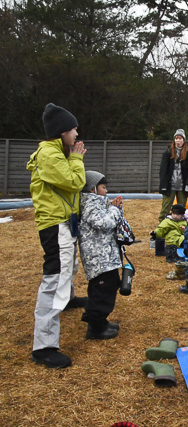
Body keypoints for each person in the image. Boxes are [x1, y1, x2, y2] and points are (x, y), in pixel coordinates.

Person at [27, 103, 86, 368]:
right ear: (62, 131)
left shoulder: (58, 153)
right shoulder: (50, 155)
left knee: (68, 266)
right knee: (55, 277)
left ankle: (68, 298)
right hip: (55, 224)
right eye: (73, 129)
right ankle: (44, 346)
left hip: (63, 222)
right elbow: (74, 182)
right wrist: (77, 159)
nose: (76, 134)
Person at [77, 171, 123, 340]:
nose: (106, 190)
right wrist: (114, 210)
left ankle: (102, 321)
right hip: (99, 259)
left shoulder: (98, 203)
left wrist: (114, 208)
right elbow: (104, 223)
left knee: (110, 285)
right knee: (102, 290)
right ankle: (95, 327)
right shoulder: (91, 204)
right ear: (92, 189)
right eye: (103, 187)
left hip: (106, 257)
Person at [158, 129, 188, 222]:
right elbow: (163, 170)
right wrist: (163, 185)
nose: (178, 141)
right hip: (169, 186)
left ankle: (181, 226)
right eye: (176, 138)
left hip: (182, 186)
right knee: (165, 208)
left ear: (184, 141)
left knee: (182, 209)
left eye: (180, 138)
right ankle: (162, 226)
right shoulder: (167, 153)